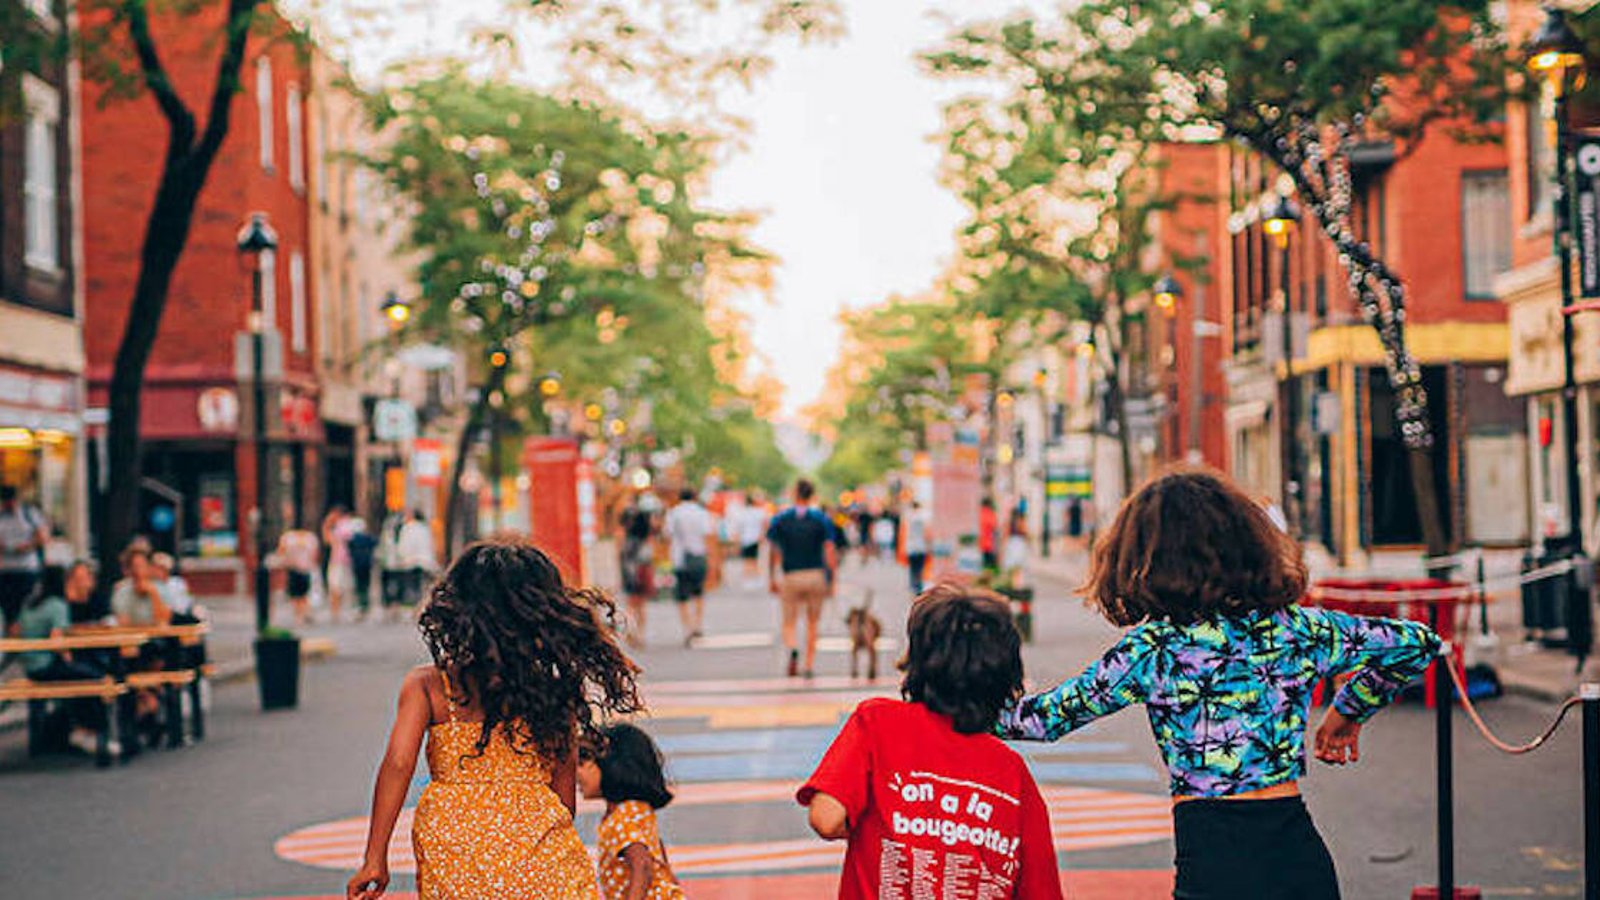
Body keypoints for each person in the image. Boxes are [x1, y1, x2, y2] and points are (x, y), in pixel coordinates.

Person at [995, 468, 1441, 899]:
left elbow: (1043, 721)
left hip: (1214, 863)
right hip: (1298, 858)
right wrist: (1347, 711)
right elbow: (1418, 645)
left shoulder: (1155, 649)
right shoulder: (1296, 629)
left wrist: (947, 700)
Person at [346, 538, 642, 900]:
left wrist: (374, 857)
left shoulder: (429, 686)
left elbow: (398, 763)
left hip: (454, 849)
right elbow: (564, 794)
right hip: (539, 849)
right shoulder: (552, 691)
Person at [797, 586, 1062, 899]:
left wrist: (879, 825)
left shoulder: (877, 723)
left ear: (915, 664)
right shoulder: (1013, 774)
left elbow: (826, 818)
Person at [16, 563, 118, 757]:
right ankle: (93, 734)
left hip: (30, 667)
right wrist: (68, 656)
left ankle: (72, 731)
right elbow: (58, 640)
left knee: (82, 674)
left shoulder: (29, 604)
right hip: (46, 666)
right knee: (96, 678)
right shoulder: (57, 605)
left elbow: (19, 631)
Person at [578, 723, 686, 900]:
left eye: (582, 764)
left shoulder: (623, 818)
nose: (576, 773)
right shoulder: (635, 809)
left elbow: (642, 865)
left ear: (610, 766)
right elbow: (658, 854)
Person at [766, 479, 838, 679]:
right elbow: (829, 550)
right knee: (813, 622)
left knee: (789, 621)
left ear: (794, 493)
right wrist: (832, 579)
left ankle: (792, 647)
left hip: (791, 575)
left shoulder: (780, 519)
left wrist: (772, 576)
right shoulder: (821, 519)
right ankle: (808, 664)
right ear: (812, 494)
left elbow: (773, 550)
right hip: (816, 575)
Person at [662, 488, 713, 646]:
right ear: (695, 496)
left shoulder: (673, 513)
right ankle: (698, 625)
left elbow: (666, 535)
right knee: (698, 593)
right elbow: (708, 535)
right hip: (698, 556)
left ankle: (687, 628)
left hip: (680, 559)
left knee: (682, 595)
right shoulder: (702, 513)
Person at [0, 484, 49, 630]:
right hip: (6, 569)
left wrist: (27, 546)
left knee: (25, 607)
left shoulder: (29, 513)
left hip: (27, 568)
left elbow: (43, 536)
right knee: (7, 609)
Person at [617, 498, 656, 648]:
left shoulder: (624, 538)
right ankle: (640, 633)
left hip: (630, 572)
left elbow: (621, 556)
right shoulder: (646, 539)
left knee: (631, 604)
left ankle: (631, 632)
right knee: (641, 605)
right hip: (643, 571)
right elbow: (649, 556)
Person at [277, 524, 321, 626]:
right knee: (297, 594)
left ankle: (301, 614)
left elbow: (315, 554)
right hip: (296, 568)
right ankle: (300, 614)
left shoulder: (308, 538)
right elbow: (281, 551)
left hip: (302, 569)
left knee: (301, 593)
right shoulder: (289, 537)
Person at [397, 510, 437, 607]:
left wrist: (401, 557)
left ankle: (412, 605)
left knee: (411, 585)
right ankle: (421, 603)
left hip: (411, 561)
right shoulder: (424, 528)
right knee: (422, 585)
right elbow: (430, 544)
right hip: (424, 561)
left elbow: (404, 545)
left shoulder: (407, 528)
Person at [323, 506, 354, 622]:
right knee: (338, 588)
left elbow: (329, 540)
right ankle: (336, 612)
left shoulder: (343, 526)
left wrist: (326, 524)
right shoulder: (342, 526)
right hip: (341, 560)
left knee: (337, 587)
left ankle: (336, 612)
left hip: (340, 561)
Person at [347, 518, 378, 620]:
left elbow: (350, 551)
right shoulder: (368, 538)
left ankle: (360, 606)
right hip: (367, 565)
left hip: (357, 566)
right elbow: (375, 543)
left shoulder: (352, 539)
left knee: (359, 587)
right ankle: (365, 606)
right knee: (365, 586)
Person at [735, 492, 768, 582]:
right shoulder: (760, 511)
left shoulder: (745, 512)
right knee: (753, 559)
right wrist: (762, 536)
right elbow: (765, 525)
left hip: (747, 538)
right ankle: (753, 577)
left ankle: (749, 578)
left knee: (748, 559)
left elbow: (739, 526)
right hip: (752, 538)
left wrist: (737, 538)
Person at [903, 500, 930, 595]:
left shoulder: (908, 518)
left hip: (911, 547)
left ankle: (913, 587)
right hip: (921, 546)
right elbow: (926, 533)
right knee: (920, 568)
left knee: (912, 569)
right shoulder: (923, 518)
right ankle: (919, 587)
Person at [978, 497, 999, 571]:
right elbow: (994, 526)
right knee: (990, 566)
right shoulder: (990, 514)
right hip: (990, 544)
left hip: (982, 544)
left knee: (984, 565)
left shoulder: (980, 514)